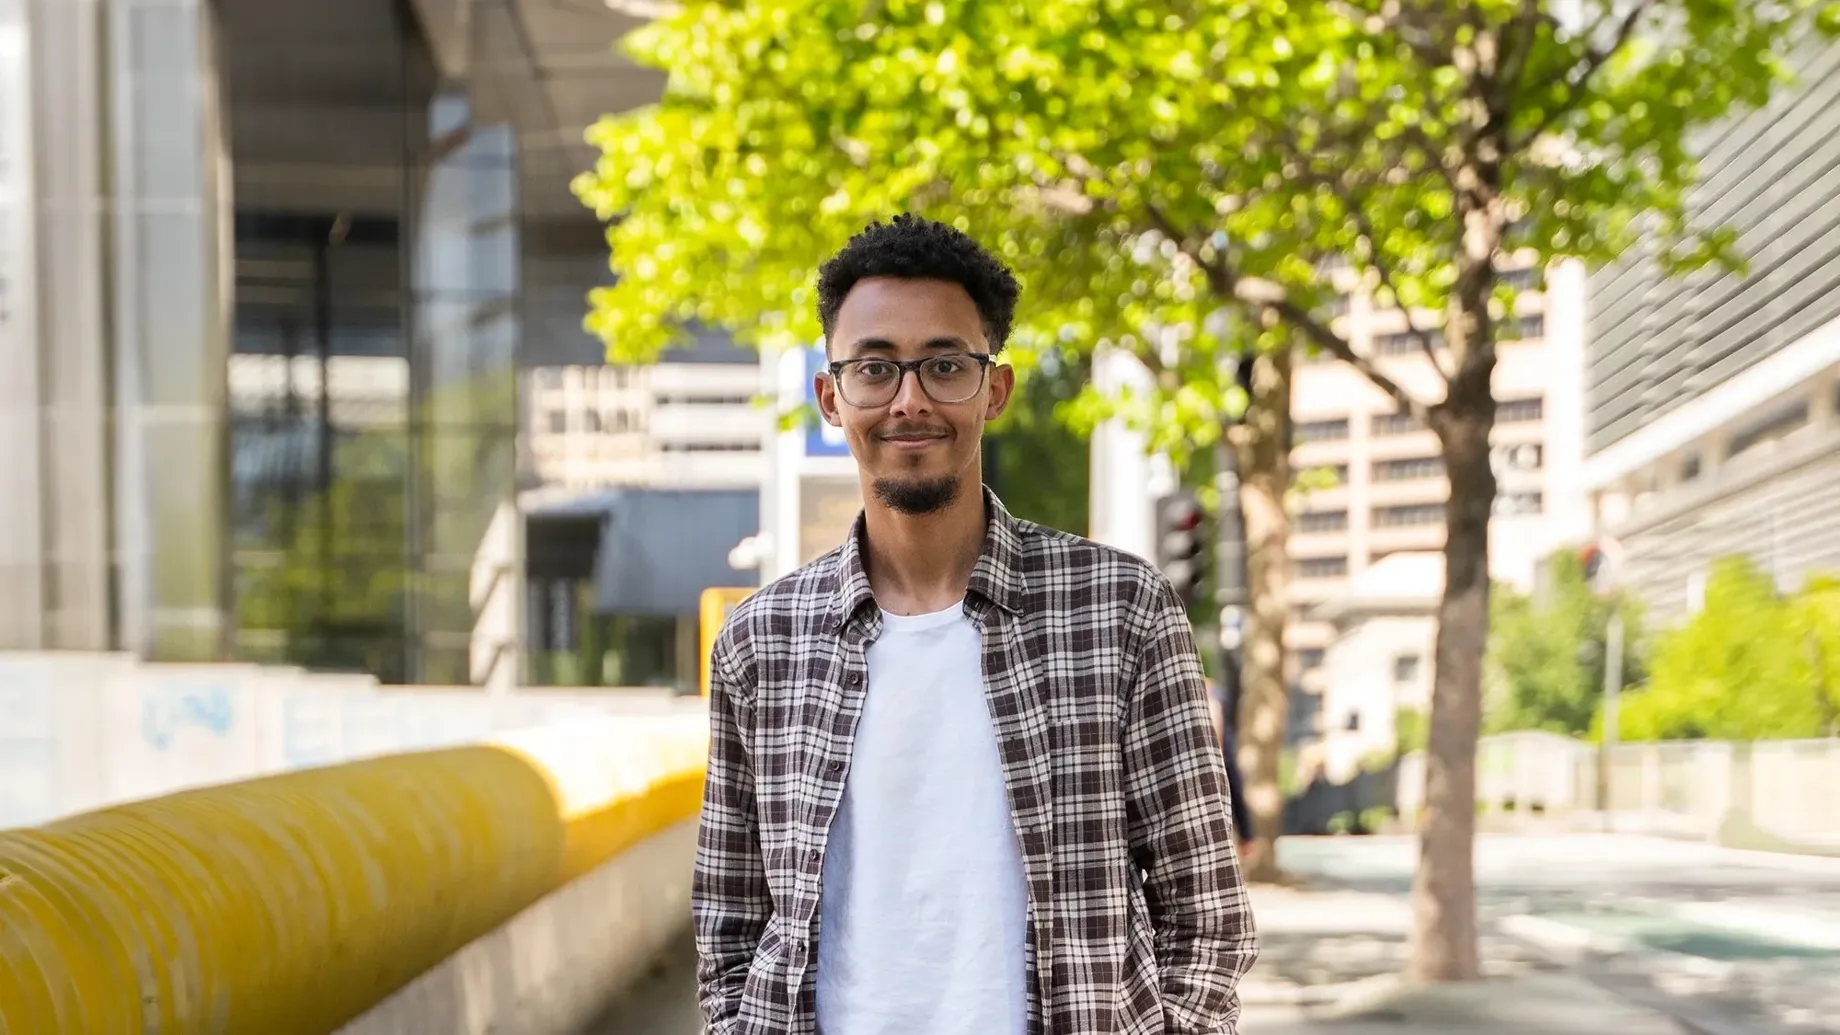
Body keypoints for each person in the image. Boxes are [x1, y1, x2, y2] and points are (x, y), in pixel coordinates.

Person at [694, 214, 1258, 1035]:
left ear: (994, 388)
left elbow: (1205, 912)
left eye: (945, 365)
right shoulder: (760, 641)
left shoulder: (1119, 611)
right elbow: (730, 932)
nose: (910, 399)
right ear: (831, 395)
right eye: (875, 368)